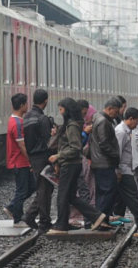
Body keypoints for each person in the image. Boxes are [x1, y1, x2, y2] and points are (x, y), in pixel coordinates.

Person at [47, 98, 107, 235]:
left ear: (67, 110)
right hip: (72, 164)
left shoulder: (72, 126)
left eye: (61, 109)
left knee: (62, 195)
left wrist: (58, 156)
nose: (60, 112)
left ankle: (61, 226)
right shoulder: (72, 124)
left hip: (70, 164)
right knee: (70, 196)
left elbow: (75, 147)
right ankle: (96, 216)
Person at [22, 89, 55, 233]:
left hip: (33, 157)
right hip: (43, 157)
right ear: (45, 101)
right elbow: (49, 141)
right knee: (45, 190)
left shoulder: (27, 117)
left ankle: (30, 215)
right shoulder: (43, 119)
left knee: (43, 188)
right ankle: (44, 222)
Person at [114, 107, 138, 231]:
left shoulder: (125, 131)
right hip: (123, 170)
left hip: (125, 169)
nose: (137, 123)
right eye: (137, 120)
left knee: (120, 197)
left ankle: (117, 219)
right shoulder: (121, 132)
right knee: (133, 196)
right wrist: (117, 170)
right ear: (130, 119)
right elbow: (117, 152)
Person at [4, 93, 35, 227]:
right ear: (22, 105)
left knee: (30, 187)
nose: (28, 106)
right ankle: (17, 217)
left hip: (20, 161)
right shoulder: (17, 123)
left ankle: (13, 207)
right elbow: (21, 144)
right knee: (22, 190)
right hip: (19, 161)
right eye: (26, 104)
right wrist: (31, 160)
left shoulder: (14, 120)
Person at [90, 97, 122, 224]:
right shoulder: (103, 121)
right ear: (109, 109)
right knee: (108, 190)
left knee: (104, 191)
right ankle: (100, 218)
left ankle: (104, 218)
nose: (117, 115)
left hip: (101, 161)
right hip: (104, 162)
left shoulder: (100, 119)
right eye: (116, 112)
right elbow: (103, 143)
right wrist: (115, 155)